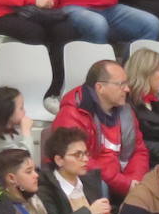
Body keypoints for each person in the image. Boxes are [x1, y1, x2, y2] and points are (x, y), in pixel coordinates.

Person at [52, 59, 150, 201]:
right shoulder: (72, 113)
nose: (127, 89)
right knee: (99, 184)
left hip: (120, 180)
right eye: (121, 84)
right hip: (87, 182)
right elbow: (80, 161)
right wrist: (124, 183)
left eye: (126, 83)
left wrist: (135, 181)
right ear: (100, 88)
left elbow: (139, 150)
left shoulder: (126, 112)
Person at [35, 126, 114, 214]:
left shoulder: (90, 183)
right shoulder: (45, 190)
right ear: (59, 160)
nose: (85, 159)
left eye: (85, 153)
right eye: (77, 155)